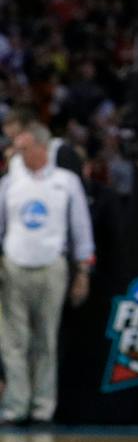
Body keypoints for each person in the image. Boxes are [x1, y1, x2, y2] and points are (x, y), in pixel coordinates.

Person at [0, 123, 93, 424]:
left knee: (46, 341)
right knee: (13, 342)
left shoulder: (65, 182)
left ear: (42, 148)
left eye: (24, 148)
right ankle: (16, 405)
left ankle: (43, 407)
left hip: (52, 266)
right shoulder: (9, 182)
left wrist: (84, 271)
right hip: (13, 266)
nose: (18, 154)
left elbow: (81, 228)